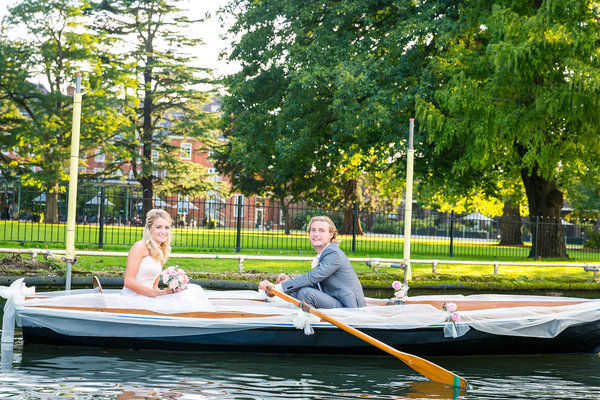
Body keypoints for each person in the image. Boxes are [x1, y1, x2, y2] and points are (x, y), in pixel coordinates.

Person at [259, 216, 366, 309]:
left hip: (349, 307)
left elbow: (312, 278)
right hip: (334, 299)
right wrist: (288, 281)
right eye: (313, 230)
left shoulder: (334, 253)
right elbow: (317, 284)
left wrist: (278, 287)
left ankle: (303, 323)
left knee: (305, 293)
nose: (316, 234)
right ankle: (273, 297)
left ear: (331, 235)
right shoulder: (326, 253)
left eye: (321, 230)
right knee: (298, 290)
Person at [121, 209, 213, 310]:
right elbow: (128, 281)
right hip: (135, 298)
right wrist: (156, 294)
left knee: (193, 289)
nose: (163, 232)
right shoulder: (139, 247)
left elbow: (155, 286)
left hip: (151, 296)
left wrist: (165, 293)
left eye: (166, 227)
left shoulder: (160, 250)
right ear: (149, 229)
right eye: (158, 227)